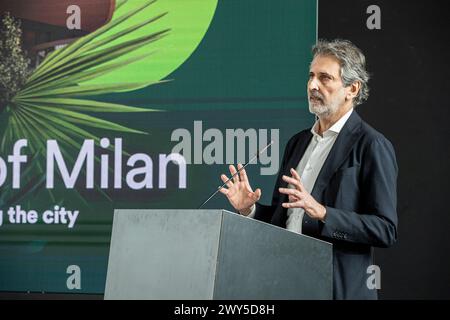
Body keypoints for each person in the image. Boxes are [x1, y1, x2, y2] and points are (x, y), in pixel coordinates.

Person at [219, 39, 398, 300]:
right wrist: (250, 209)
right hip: (286, 283)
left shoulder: (371, 145)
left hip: (337, 290)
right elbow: (287, 219)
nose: (313, 85)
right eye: (311, 76)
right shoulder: (298, 142)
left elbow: (385, 229)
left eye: (325, 78)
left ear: (352, 88)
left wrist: (324, 213)